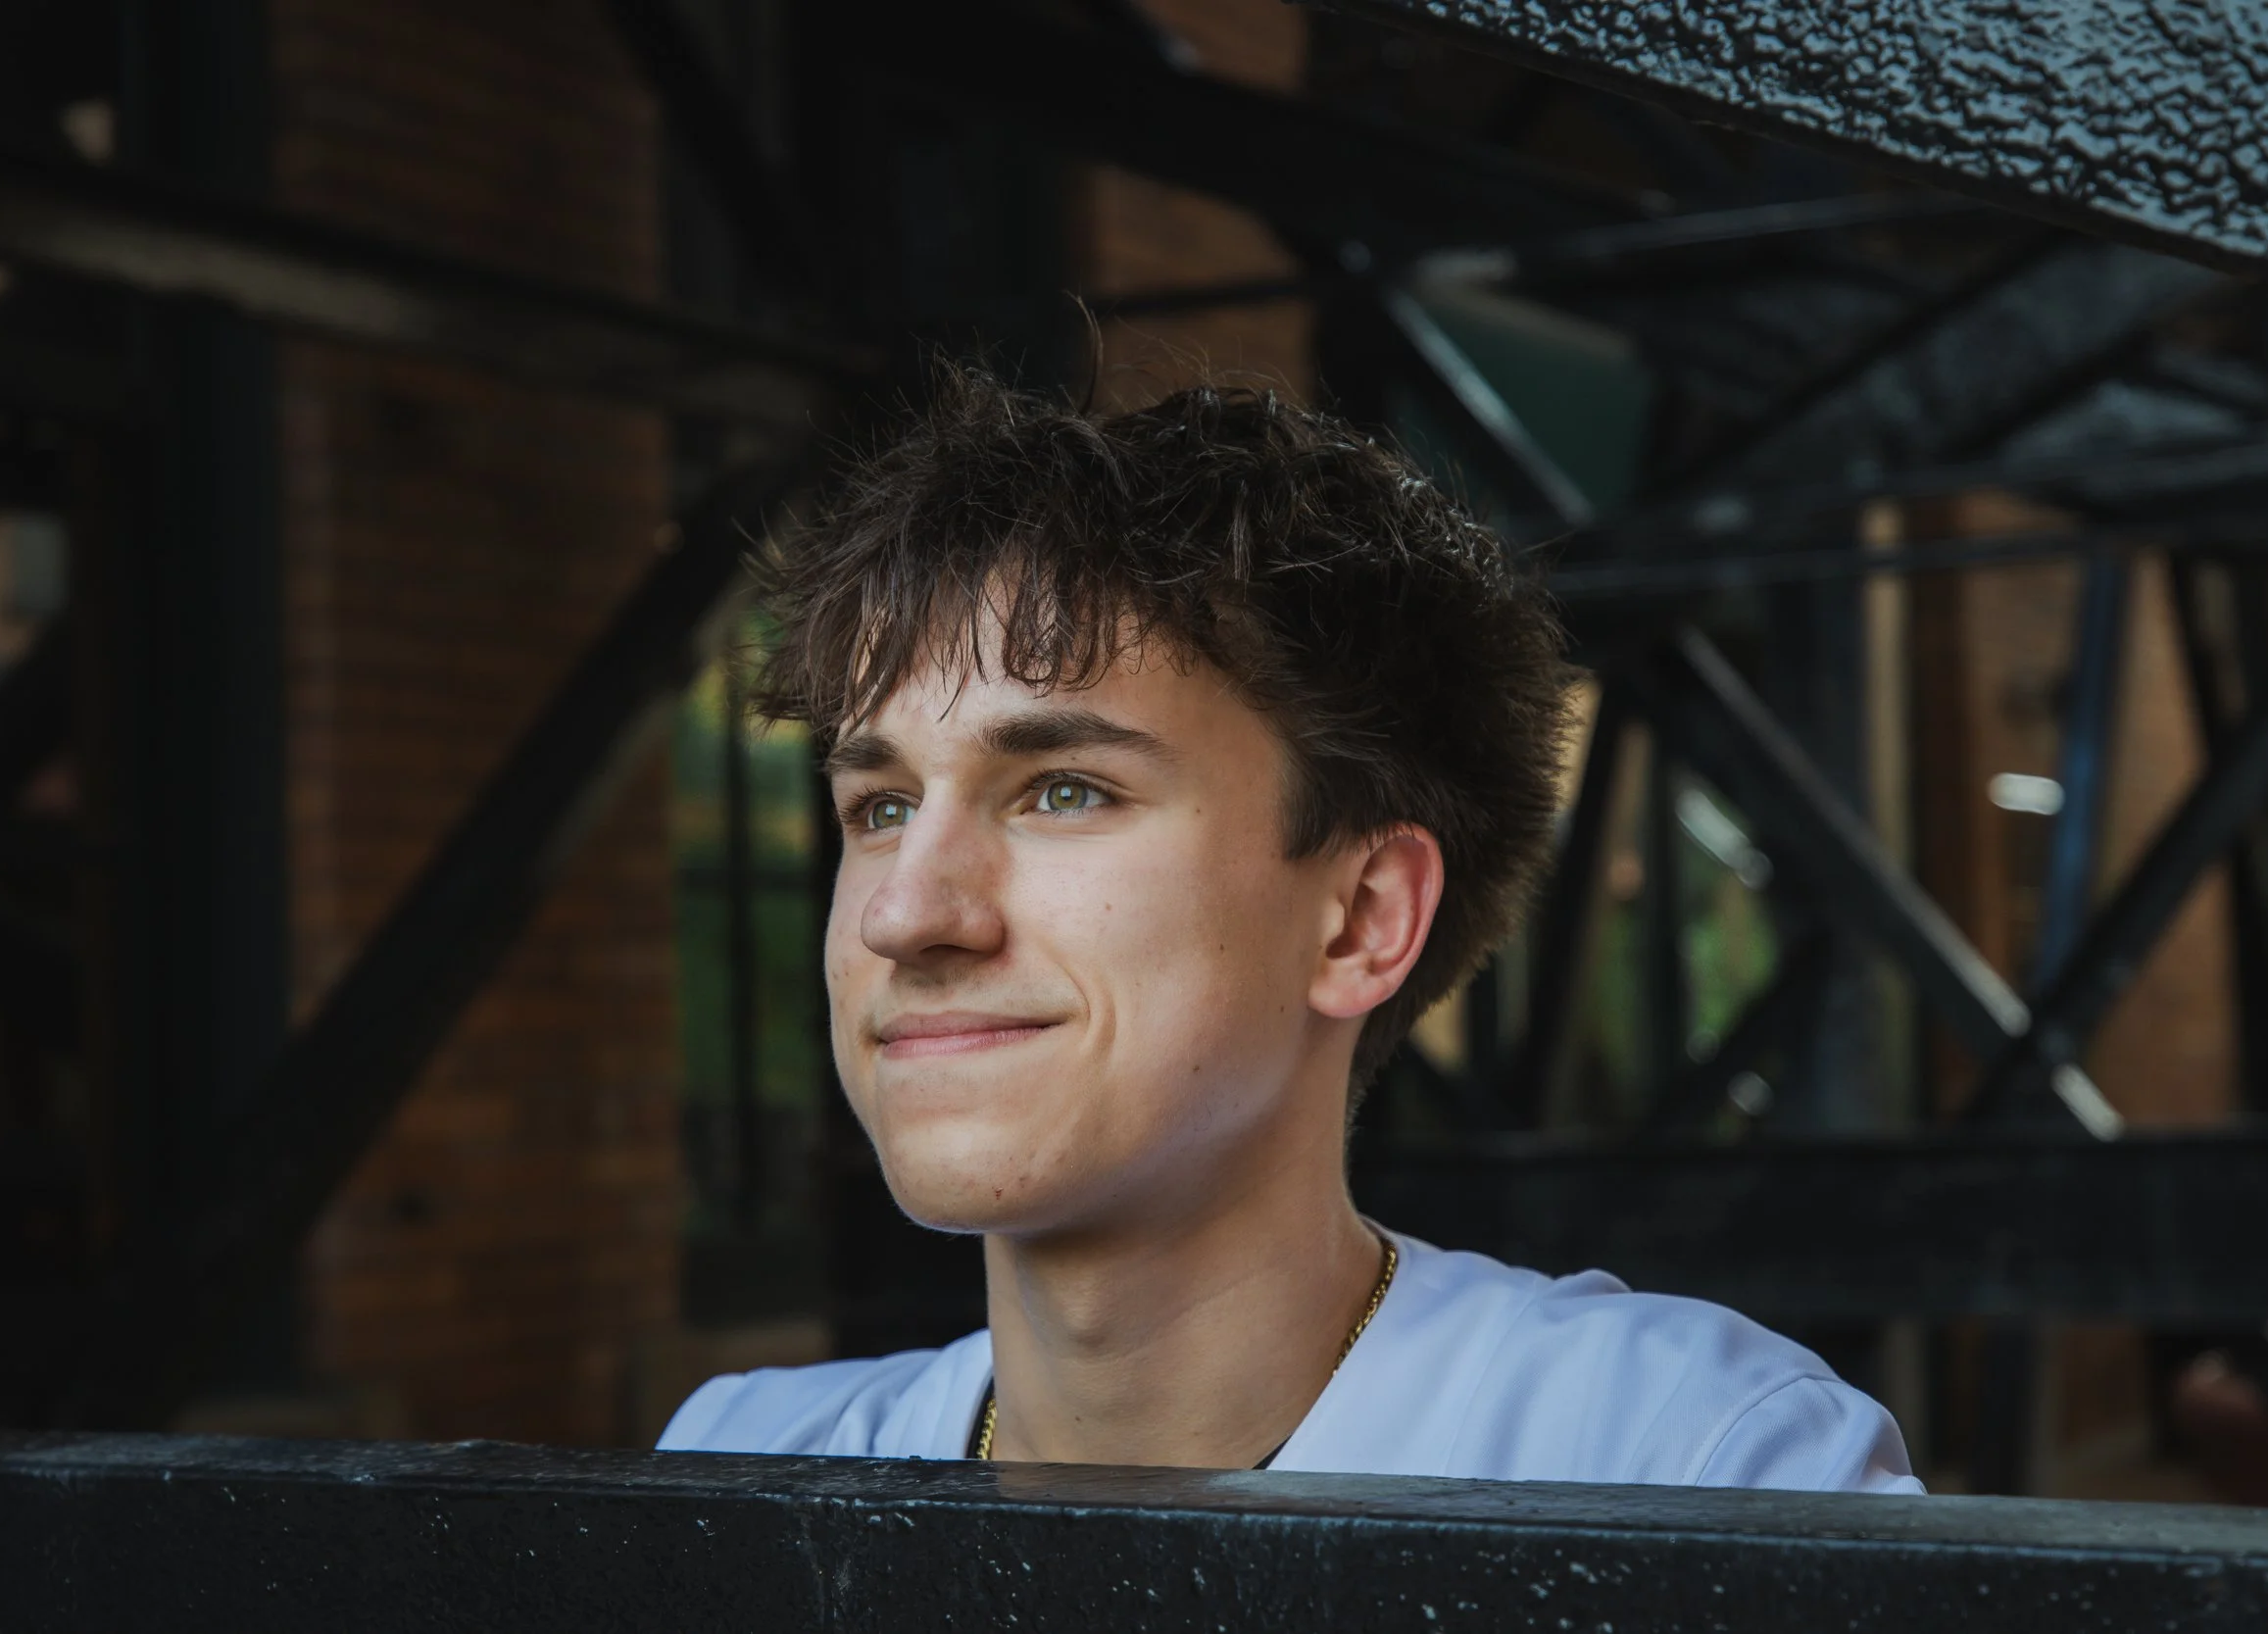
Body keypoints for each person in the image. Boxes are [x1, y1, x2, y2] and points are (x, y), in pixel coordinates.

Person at [658, 367, 1920, 1492]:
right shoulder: (738, 1474)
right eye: (879, 808)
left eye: (1064, 791)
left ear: (1361, 921)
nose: (904, 913)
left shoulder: (1700, 1465)